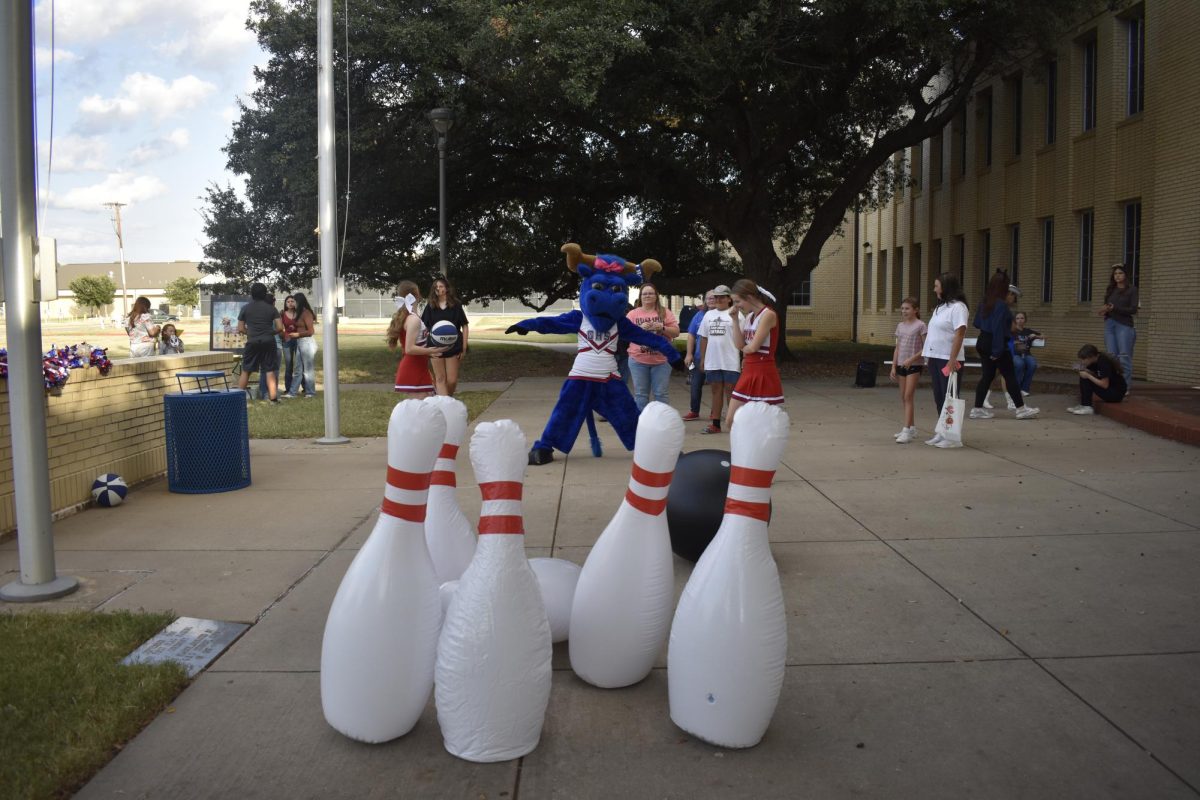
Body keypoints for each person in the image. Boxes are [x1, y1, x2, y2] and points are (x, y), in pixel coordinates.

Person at [969, 271, 1039, 422]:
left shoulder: (985, 301)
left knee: (987, 376)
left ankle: (977, 409)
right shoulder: (1001, 305)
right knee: (1010, 375)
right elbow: (998, 328)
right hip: (996, 343)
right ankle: (1021, 409)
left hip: (983, 340)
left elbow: (976, 323)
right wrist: (997, 350)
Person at [724, 279, 783, 431]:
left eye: (737, 301)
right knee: (731, 420)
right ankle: (742, 451)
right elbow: (740, 345)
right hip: (749, 371)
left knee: (763, 424)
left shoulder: (768, 315)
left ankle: (762, 452)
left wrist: (746, 348)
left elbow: (753, 347)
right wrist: (735, 321)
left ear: (749, 297)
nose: (736, 306)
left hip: (763, 370)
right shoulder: (750, 317)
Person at [921, 273, 968, 447]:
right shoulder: (940, 307)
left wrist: (952, 359)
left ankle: (953, 437)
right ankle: (942, 430)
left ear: (946, 287)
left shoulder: (958, 308)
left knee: (951, 396)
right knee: (939, 396)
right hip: (935, 357)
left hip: (948, 359)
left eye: (936, 286)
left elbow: (960, 333)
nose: (934, 289)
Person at [625, 283, 680, 412]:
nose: (647, 296)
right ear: (640, 297)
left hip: (662, 360)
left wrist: (662, 327)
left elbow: (676, 332)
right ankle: (641, 424)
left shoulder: (665, 312)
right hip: (637, 360)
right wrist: (639, 329)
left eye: (650, 293)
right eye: (644, 294)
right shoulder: (633, 314)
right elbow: (625, 334)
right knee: (641, 395)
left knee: (661, 394)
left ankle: (662, 422)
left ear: (656, 296)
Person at [387, 281, 447, 397]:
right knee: (422, 412)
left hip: (419, 368)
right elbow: (409, 349)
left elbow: (418, 345)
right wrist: (433, 350)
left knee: (426, 409)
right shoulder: (413, 319)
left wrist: (429, 353)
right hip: (413, 369)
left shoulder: (409, 317)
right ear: (416, 295)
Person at [698, 286, 741, 434]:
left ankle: (735, 424)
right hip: (713, 360)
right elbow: (703, 337)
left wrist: (744, 357)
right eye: (716, 297)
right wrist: (702, 358)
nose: (718, 299)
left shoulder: (736, 314)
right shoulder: (708, 315)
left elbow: (743, 338)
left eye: (722, 297)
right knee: (716, 390)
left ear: (729, 298)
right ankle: (715, 424)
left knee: (731, 391)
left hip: (731, 360)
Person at [421, 275, 470, 396]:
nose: (438, 288)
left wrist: (464, 347)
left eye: (441, 286)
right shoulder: (431, 306)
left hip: (453, 346)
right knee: (440, 379)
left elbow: (465, 325)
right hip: (435, 347)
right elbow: (423, 327)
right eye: (436, 287)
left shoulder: (455, 305)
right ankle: (444, 405)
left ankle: (447, 400)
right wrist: (426, 349)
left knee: (452, 380)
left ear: (447, 288)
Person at [237, 283, 285, 403]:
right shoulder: (271, 308)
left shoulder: (245, 308)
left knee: (246, 370)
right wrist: (270, 332)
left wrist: (251, 333)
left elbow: (241, 329)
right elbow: (280, 328)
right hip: (268, 341)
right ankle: (273, 398)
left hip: (252, 341)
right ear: (264, 294)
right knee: (269, 369)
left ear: (252, 294)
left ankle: (238, 398)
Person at [889, 297, 927, 443]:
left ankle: (906, 430)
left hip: (914, 365)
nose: (904, 311)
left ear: (915, 310)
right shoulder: (900, 326)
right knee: (903, 397)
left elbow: (925, 348)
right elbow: (897, 348)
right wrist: (893, 366)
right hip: (900, 365)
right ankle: (911, 428)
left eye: (907, 308)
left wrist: (911, 360)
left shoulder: (921, 326)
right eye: (903, 308)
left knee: (908, 396)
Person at [1099, 264, 1138, 393]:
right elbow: (1107, 306)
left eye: (1120, 273)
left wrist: (1114, 308)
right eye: (1115, 274)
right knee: (1112, 357)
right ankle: (1114, 384)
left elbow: (1133, 310)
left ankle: (1125, 386)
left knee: (1124, 356)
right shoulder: (1111, 289)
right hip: (1110, 324)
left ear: (1125, 275)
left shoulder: (1132, 290)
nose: (1117, 276)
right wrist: (1104, 311)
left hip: (1124, 325)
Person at [683, 291, 716, 421]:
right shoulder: (699, 315)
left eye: (713, 297)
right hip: (698, 357)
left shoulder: (724, 314)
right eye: (708, 298)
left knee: (716, 387)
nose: (711, 300)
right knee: (695, 385)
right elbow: (691, 335)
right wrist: (689, 354)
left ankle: (715, 412)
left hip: (716, 358)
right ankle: (694, 411)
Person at [1069, 344, 1127, 414]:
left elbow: (1104, 385)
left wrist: (1088, 375)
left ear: (1091, 357)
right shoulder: (1095, 360)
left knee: (1086, 378)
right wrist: (1087, 371)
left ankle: (1087, 406)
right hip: (1110, 389)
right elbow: (1097, 375)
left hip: (1115, 394)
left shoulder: (1103, 363)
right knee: (1084, 375)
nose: (1082, 362)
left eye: (1083, 359)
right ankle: (1084, 405)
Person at [284, 292, 317, 398]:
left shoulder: (306, 313)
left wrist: (298, 334)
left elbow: (311, 331)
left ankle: (310, 392)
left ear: (299, 301)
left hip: (307, 342)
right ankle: (292, 393)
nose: (292, 303)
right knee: (298, 369)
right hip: (300, 342)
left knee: (308, 370)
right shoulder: (299, 313)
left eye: (293, 301)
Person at [258, 295, 283, 400]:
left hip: (261, 344)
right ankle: (273, 392)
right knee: (274, 370)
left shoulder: (259, 313)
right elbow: (280, 329)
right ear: (273, 302)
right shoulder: (274, 312)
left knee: (263, 370)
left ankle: (263, 393)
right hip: (275, 345)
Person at [1011, 311, 1041, 397]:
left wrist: (1035, 336)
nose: (1020, 320)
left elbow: (1044, 335)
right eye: (1017, 318)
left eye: (1022, 318)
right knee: (1020, 364)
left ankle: (1024, 389)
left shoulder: (1027, 331)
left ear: (1025, 320)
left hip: (1027, 354)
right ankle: (1016, 388)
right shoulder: (1012, 330)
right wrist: (1014, 342)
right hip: (1015, 354)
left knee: (1032, 364)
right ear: (1014, 320)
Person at [279, 295, 301, 394]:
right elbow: (280, 328)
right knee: (289, 365)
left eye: (292, 301)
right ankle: (288, 388)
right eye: (288, 301)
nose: (290, 303)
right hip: (287, 341)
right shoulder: (282, 314)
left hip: (298, 340)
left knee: (300, 364)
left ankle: (304, 386)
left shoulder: (299, 313)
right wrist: (284, 336)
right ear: (285, 303)